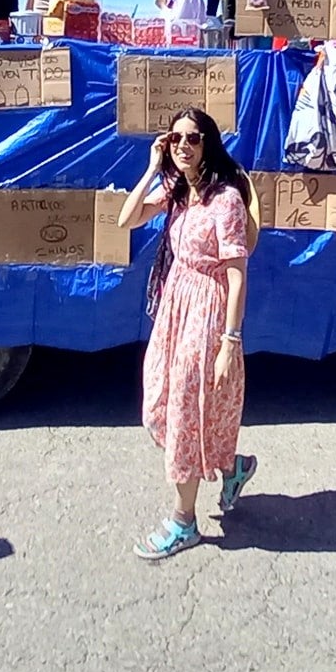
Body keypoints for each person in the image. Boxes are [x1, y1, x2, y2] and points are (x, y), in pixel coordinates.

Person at [116, 107, 256, 560]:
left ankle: (183, 521)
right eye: (175, 138)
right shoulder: (178, 192)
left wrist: (229, 344)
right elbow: (126, 219)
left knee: (185, 408)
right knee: (161, 396)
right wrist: (152, 167)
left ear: (208, 143)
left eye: (192, 138)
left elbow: (237, 276)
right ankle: (231, 466)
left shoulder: (225, 200)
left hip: (208, 310)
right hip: (177, 304)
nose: (183, 146)